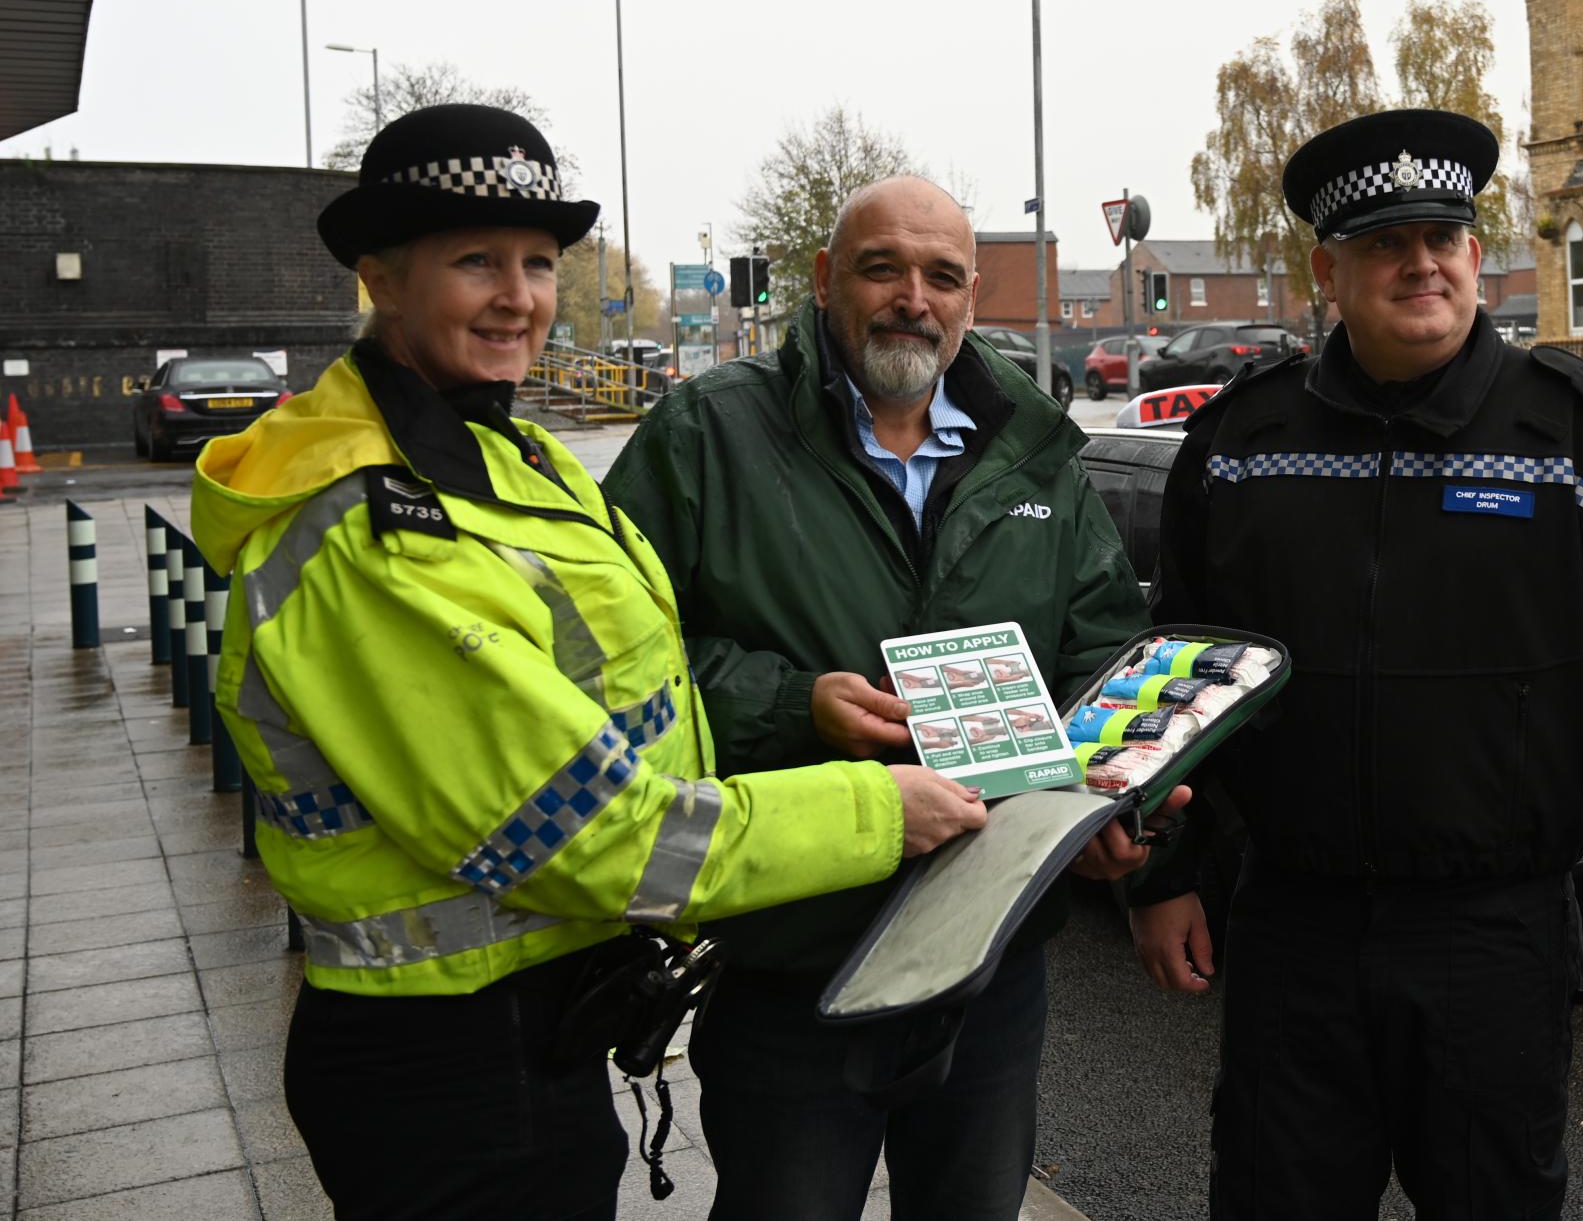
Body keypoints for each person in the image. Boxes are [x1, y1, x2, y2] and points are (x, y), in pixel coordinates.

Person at [193, 105, 987, 1221]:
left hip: (530, 1024)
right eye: (475, 261)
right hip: (449, 1059)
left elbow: (638, 692)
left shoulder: (494, 452)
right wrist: (873, 810)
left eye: (536, 262)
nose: (518, 296)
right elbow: (588, 832)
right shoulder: (372, 525)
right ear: (381, 275)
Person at [1127, 108, 1583, 1220]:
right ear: (1329, 268)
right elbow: (1180, 681)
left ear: (1473, 254)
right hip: (1291, 931)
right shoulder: (1244, 448)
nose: (1422, 263)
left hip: (1489, 937)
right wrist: (1162, 875)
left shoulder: (1577, 444)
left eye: (1444, 237)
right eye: (1386, 243)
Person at [603, 175, 1159, 1221]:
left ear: (972, 299)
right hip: (796, 953)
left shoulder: (1032, 445)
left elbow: (1104, 649)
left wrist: (1113, 794)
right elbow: (619, 670)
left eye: (943, 276)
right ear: (824, 282)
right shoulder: (706, 435)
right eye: (882, 268)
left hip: (990, 957)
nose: (914, 296)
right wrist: (788, 702)